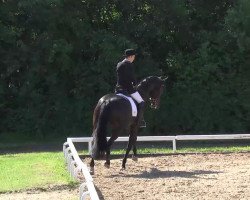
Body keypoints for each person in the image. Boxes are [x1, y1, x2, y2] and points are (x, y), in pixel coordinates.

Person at [115, 49, 146, 128]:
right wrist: (135, 85)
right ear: (131, 56)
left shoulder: (119, 64)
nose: (134, 59)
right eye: (134, 57)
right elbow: (132, 78)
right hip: (128, 89)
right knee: (141, 102)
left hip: (118, 89)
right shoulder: (129, 65)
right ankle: (140, 120)